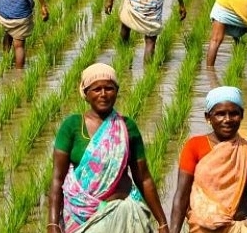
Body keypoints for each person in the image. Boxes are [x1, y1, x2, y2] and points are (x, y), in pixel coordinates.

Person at [48, 63, 169, 233]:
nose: (103, 94)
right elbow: (57, 180)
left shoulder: (127, 127)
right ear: (86, 94)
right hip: (82, 217)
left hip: (126, 216)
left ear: (116, 91)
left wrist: (162, 222)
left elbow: (144, 178)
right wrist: (52, 224)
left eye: (109, 88)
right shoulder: (72, 126)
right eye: (97, 89)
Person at [170, 86, 247, 233]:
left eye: (234, 114)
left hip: (242, 227)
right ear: (208, 117)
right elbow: (181, 195)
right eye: (220, 114)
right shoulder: (194, 146)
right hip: (204, 228)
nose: (227, 119)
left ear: (242, 115)